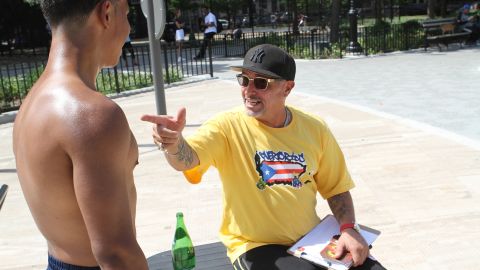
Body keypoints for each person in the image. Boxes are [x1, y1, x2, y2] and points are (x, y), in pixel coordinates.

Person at [141, 44, 386, 270]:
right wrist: (173, 144)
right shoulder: (226, 127)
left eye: (261, 83)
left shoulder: (315, 128)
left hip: (310, 241)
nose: (249, 90)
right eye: (244, 79)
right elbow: (187, 160)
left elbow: (336, 189)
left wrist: (348, 229)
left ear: (287, 88)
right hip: (254, 245)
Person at [12, 1, 148, 269]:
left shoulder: (33, 101)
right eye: (128, 15)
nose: (129, 28)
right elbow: (116, 252)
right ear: (106, 12)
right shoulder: (91, 115)